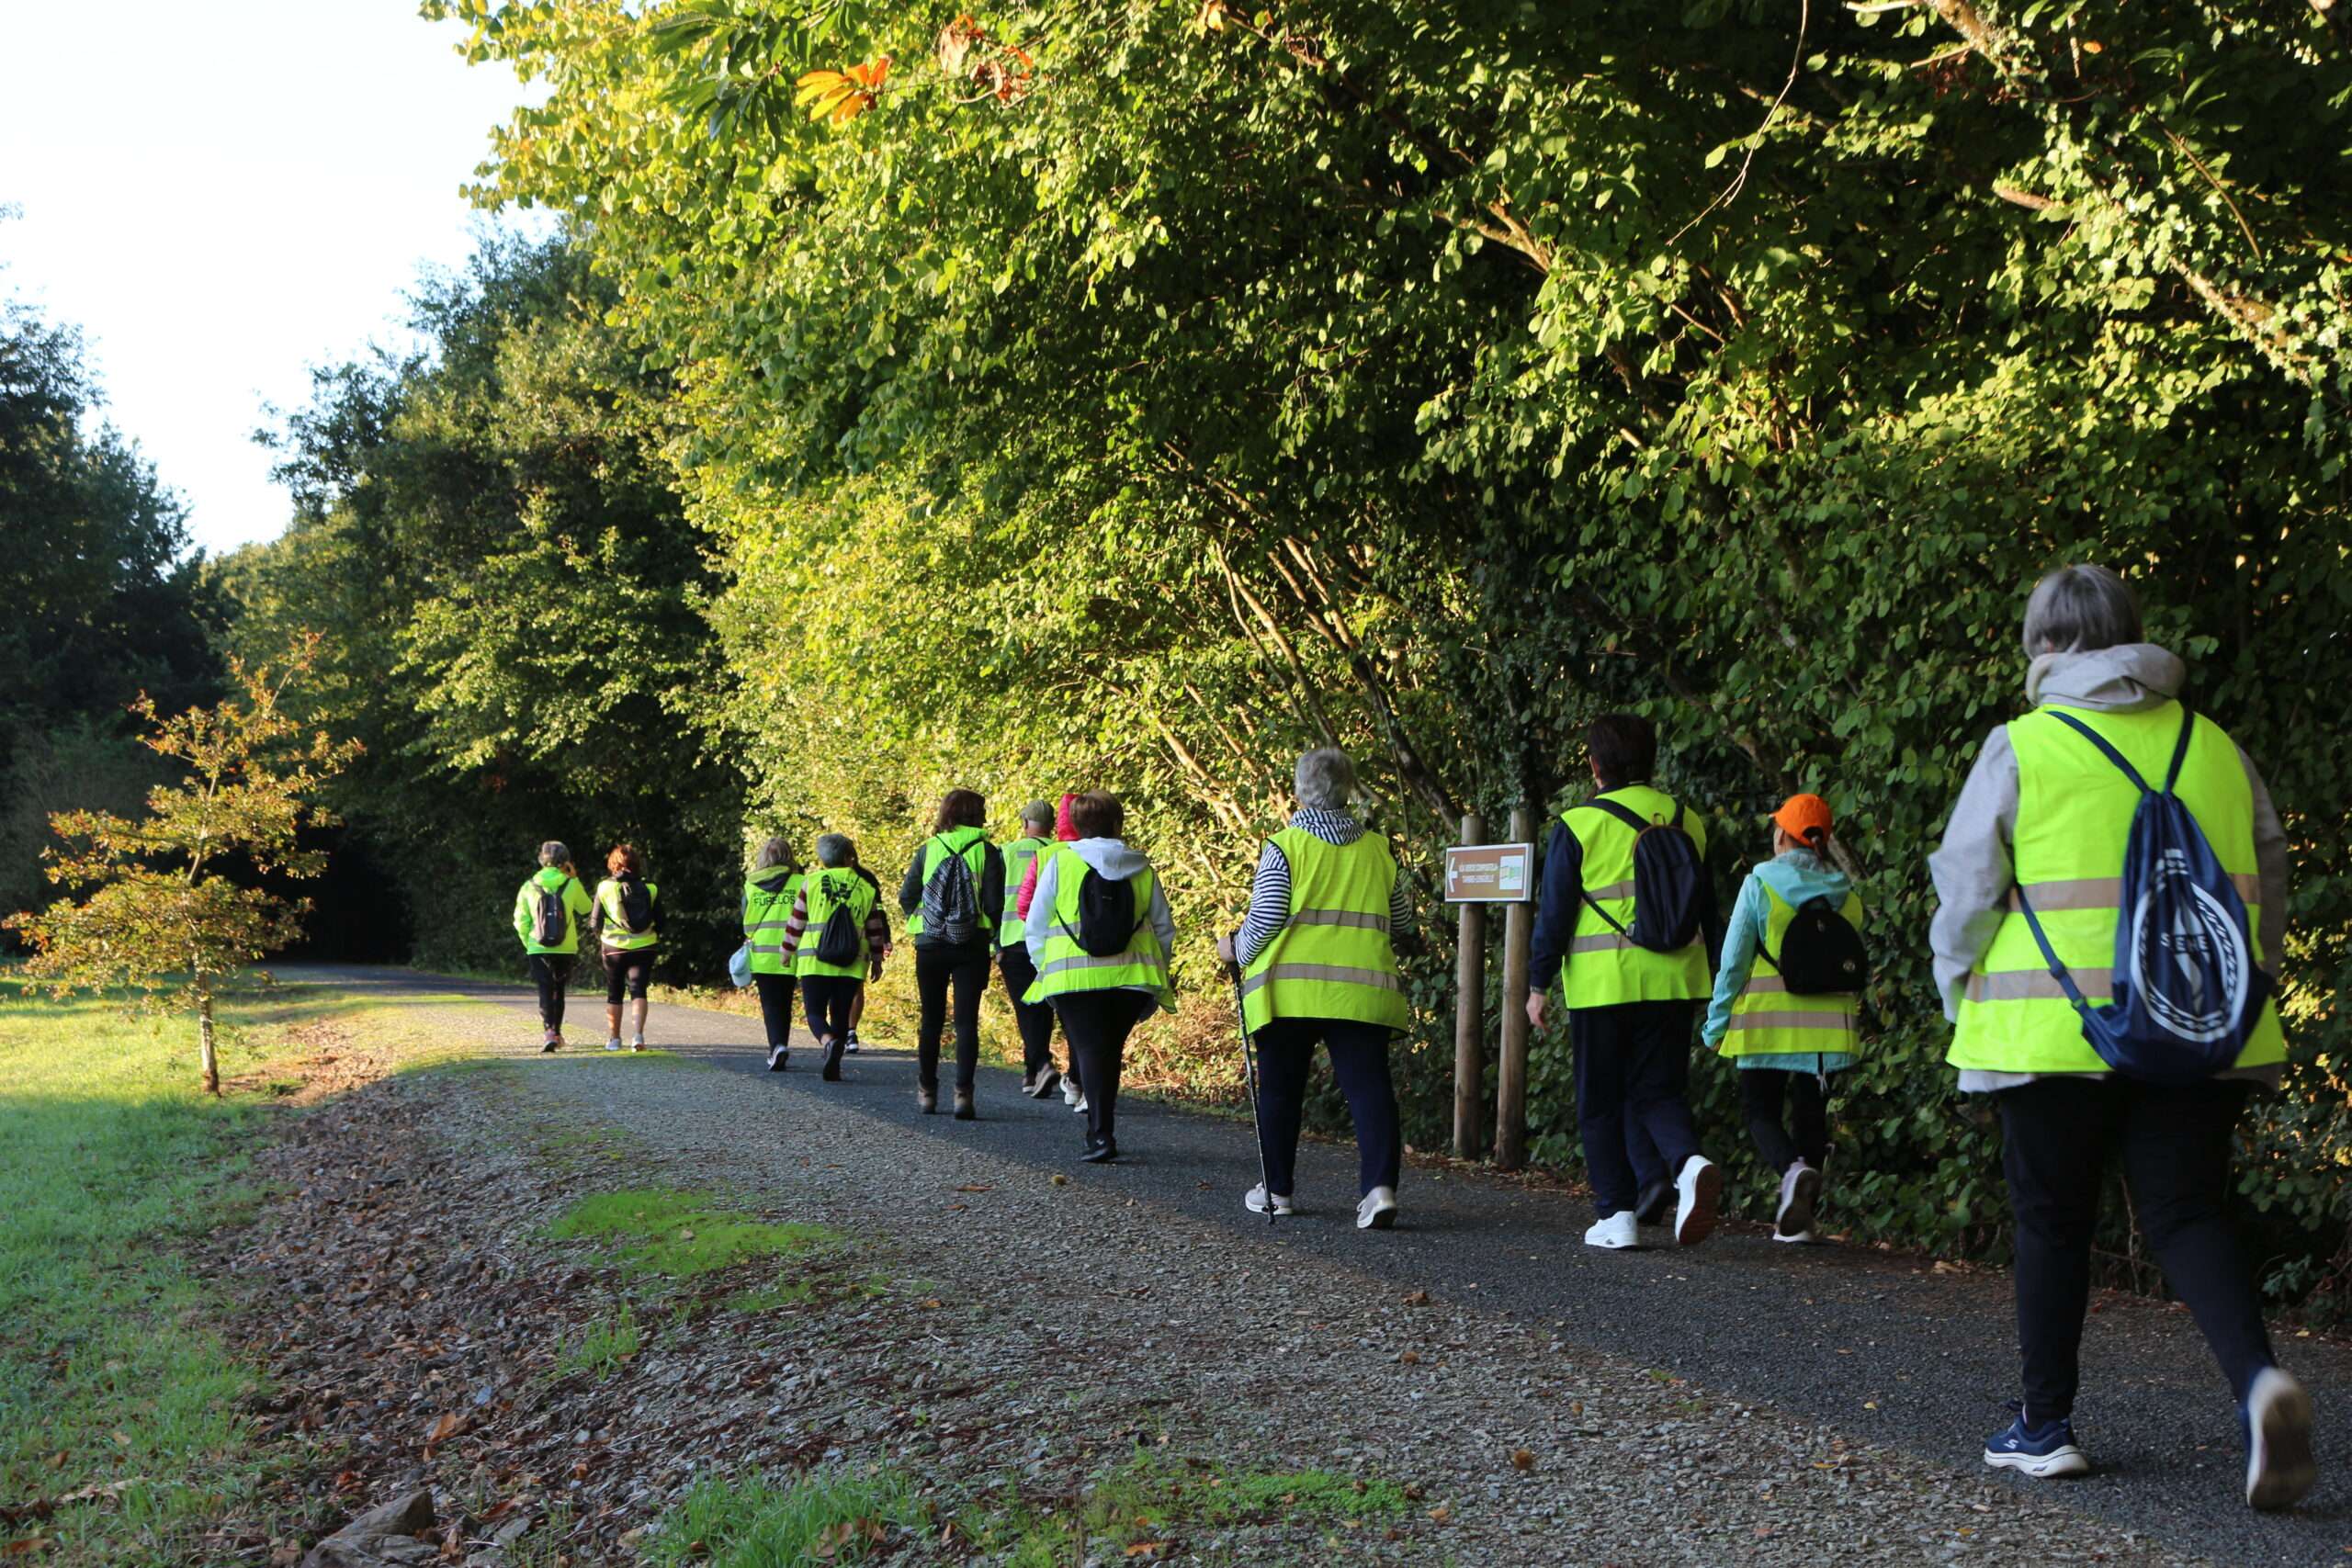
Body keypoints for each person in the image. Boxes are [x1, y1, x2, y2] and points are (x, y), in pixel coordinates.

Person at [1928, 564, 2312, 1507]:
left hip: (2048, 1034)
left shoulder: (2023, 745)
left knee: (2052, 1221)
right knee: (2187, 1215)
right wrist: (2246, 985)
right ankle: (2259, 1384)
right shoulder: (2216, 747)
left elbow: (1968, 889)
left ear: (2045, 646)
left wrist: (1953, 984)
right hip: (2197, 1028)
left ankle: (2044, 1427)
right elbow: (2265, 883)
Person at [1525, 714, 1723, 1251]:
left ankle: (1616, 1215)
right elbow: (1710, 910)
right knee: (1659, 1091)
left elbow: (1555, 913)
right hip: (1677, 980)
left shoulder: (1579, 824)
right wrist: (1723, 983)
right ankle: (1688, 1161)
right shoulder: (1690, 820)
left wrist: (1537, 984)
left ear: (1594, 765)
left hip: (1603, 984)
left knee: (1600, 1102)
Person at [1216, 749, 1414, 1230]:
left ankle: (1276, 1191)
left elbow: (1263, 923)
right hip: (1361, 993)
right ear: (1349, 789)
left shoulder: (1285, 847)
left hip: (1292, 994)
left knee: (1282, 1091)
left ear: (1301, 789)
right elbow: (1402, 922)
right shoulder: (1378, 849)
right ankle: (1379, 1189)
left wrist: (1231, 950)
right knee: (1370, 1090)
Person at [1701, 794, 1861, 1243]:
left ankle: (1792, 1173)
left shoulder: (1760, 883)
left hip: (1767, 1024)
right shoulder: (1844, 890)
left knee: (1759, 1111)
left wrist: (1717, 1023)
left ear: (1782, 836)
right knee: (1811, 1114)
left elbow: (1734, 960)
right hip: (1826, 1032)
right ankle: (1802, 1221)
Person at [1023, 791, 1176, 1163]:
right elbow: (1164, 929)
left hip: (1073, 982)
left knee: (1092, 1050)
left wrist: (1046, 967)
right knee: (1109, 1051)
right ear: (1118, 824)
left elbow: (1036, 925)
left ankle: (1101, 1134)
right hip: (1130, 982)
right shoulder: (1142, 867)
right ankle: (1100, 1130)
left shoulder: (1060, 864)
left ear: (1076, 826)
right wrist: (1158, 972)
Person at [899, 789, 1007, 1118]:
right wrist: (991, 934)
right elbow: (993, 904)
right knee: (966, 1023)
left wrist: (927, 921)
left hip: (930, 944)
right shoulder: (987, 851)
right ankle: (963, 1095)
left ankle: (927, 1092)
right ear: (977, 815)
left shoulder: (928, 849)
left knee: (930, 1020)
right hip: (970, 945)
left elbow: (907, 896)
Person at [778, 833, 893, 1081]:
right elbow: (875, 927)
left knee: (815, 1013)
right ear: (848, 857)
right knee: (840, 1013)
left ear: (823, 858)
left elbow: (796, 921)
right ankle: (835, 1064)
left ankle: (828, 1041)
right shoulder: (865, 887)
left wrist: (787, 951)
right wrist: (876, 960)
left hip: (814, 961)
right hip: (852, 962)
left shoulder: (811, 882)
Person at [1019, 792, 1088, 1114]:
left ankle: (1044, 1069)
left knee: (1058, 1017)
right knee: (1087, 1027)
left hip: (1050, 953)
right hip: (1107, 956)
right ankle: (1078, 1083)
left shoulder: (1047, 857)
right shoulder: (1106, 853)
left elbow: (1025, 907)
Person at [996, 800, 1063, 1099]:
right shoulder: (1062, 853)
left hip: (1014, 940)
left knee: (1026, 1008)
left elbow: (993, 901)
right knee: (1045, 1007)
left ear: (1024, 822)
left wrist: (992, 944)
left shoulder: (1007, 852)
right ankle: (1031, 1071)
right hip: (1053, 941)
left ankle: (1042, 1063)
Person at [513, 840, 593, 1052]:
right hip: (565, 947)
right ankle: (556, 1034)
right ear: (565, 861)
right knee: (559, 989)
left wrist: (528, 942)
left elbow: (520, 920)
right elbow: (587, 908)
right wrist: (575, 878)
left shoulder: (529, 886)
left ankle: (548, 1031)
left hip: (537, 947)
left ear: (541, 859)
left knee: (544, 989)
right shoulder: (571, 884)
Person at [590, 844, 662, 1052]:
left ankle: (614, 1039)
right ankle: (638, 1036)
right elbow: (662, 920)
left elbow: (595, 923)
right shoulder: (651, 889)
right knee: (639, 990)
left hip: (613, 948)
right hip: (645, 946)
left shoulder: (604, 887)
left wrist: (602, 938)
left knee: (614, 992)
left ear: (614, 864)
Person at [743, 836, 806, 1072]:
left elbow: (745, 917)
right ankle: (781, 1044)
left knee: (770, 1004)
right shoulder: (800, 881)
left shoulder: (750, 884)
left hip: (761, 952)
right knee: (785, 1001)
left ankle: (776, 1047)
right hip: (792, 950)